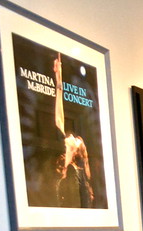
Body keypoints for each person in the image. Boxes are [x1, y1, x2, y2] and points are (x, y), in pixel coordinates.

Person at [54, 53, 94, 208]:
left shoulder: (78, 173)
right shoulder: (63, 165)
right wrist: (59, 78)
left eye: (77, 139)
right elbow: (59, 118)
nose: (72, 135)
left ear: (76, 151)